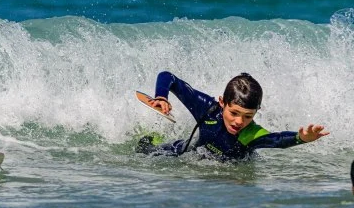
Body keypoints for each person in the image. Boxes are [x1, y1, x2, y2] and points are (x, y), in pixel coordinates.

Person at [136, 71, 329, 161]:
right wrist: (161, 96)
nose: (239, 122)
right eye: (234, 113)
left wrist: (301, 138)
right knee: (142, 150)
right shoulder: (208, 108)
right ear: (222, 102)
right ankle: (154, 137)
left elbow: (277, 140)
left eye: (247, 116)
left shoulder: (251, 134)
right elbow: (168, 77)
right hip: (185, 151)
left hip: (224, 170)